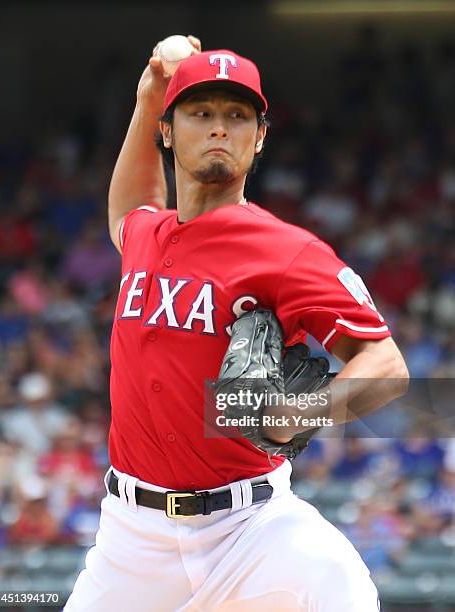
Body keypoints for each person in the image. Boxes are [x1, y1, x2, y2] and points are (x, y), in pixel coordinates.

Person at [65, 36, 409, 611]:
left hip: (251, 528)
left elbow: (388, 366)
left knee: (345, 591)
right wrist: (148, 96)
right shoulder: (147, 235)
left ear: (260, 137)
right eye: (201, 113)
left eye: (237, 115)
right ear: (169, 131)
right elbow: (127, 209)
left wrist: (296, 414)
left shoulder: (286, 251)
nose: (219, 128)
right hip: (130, 540)